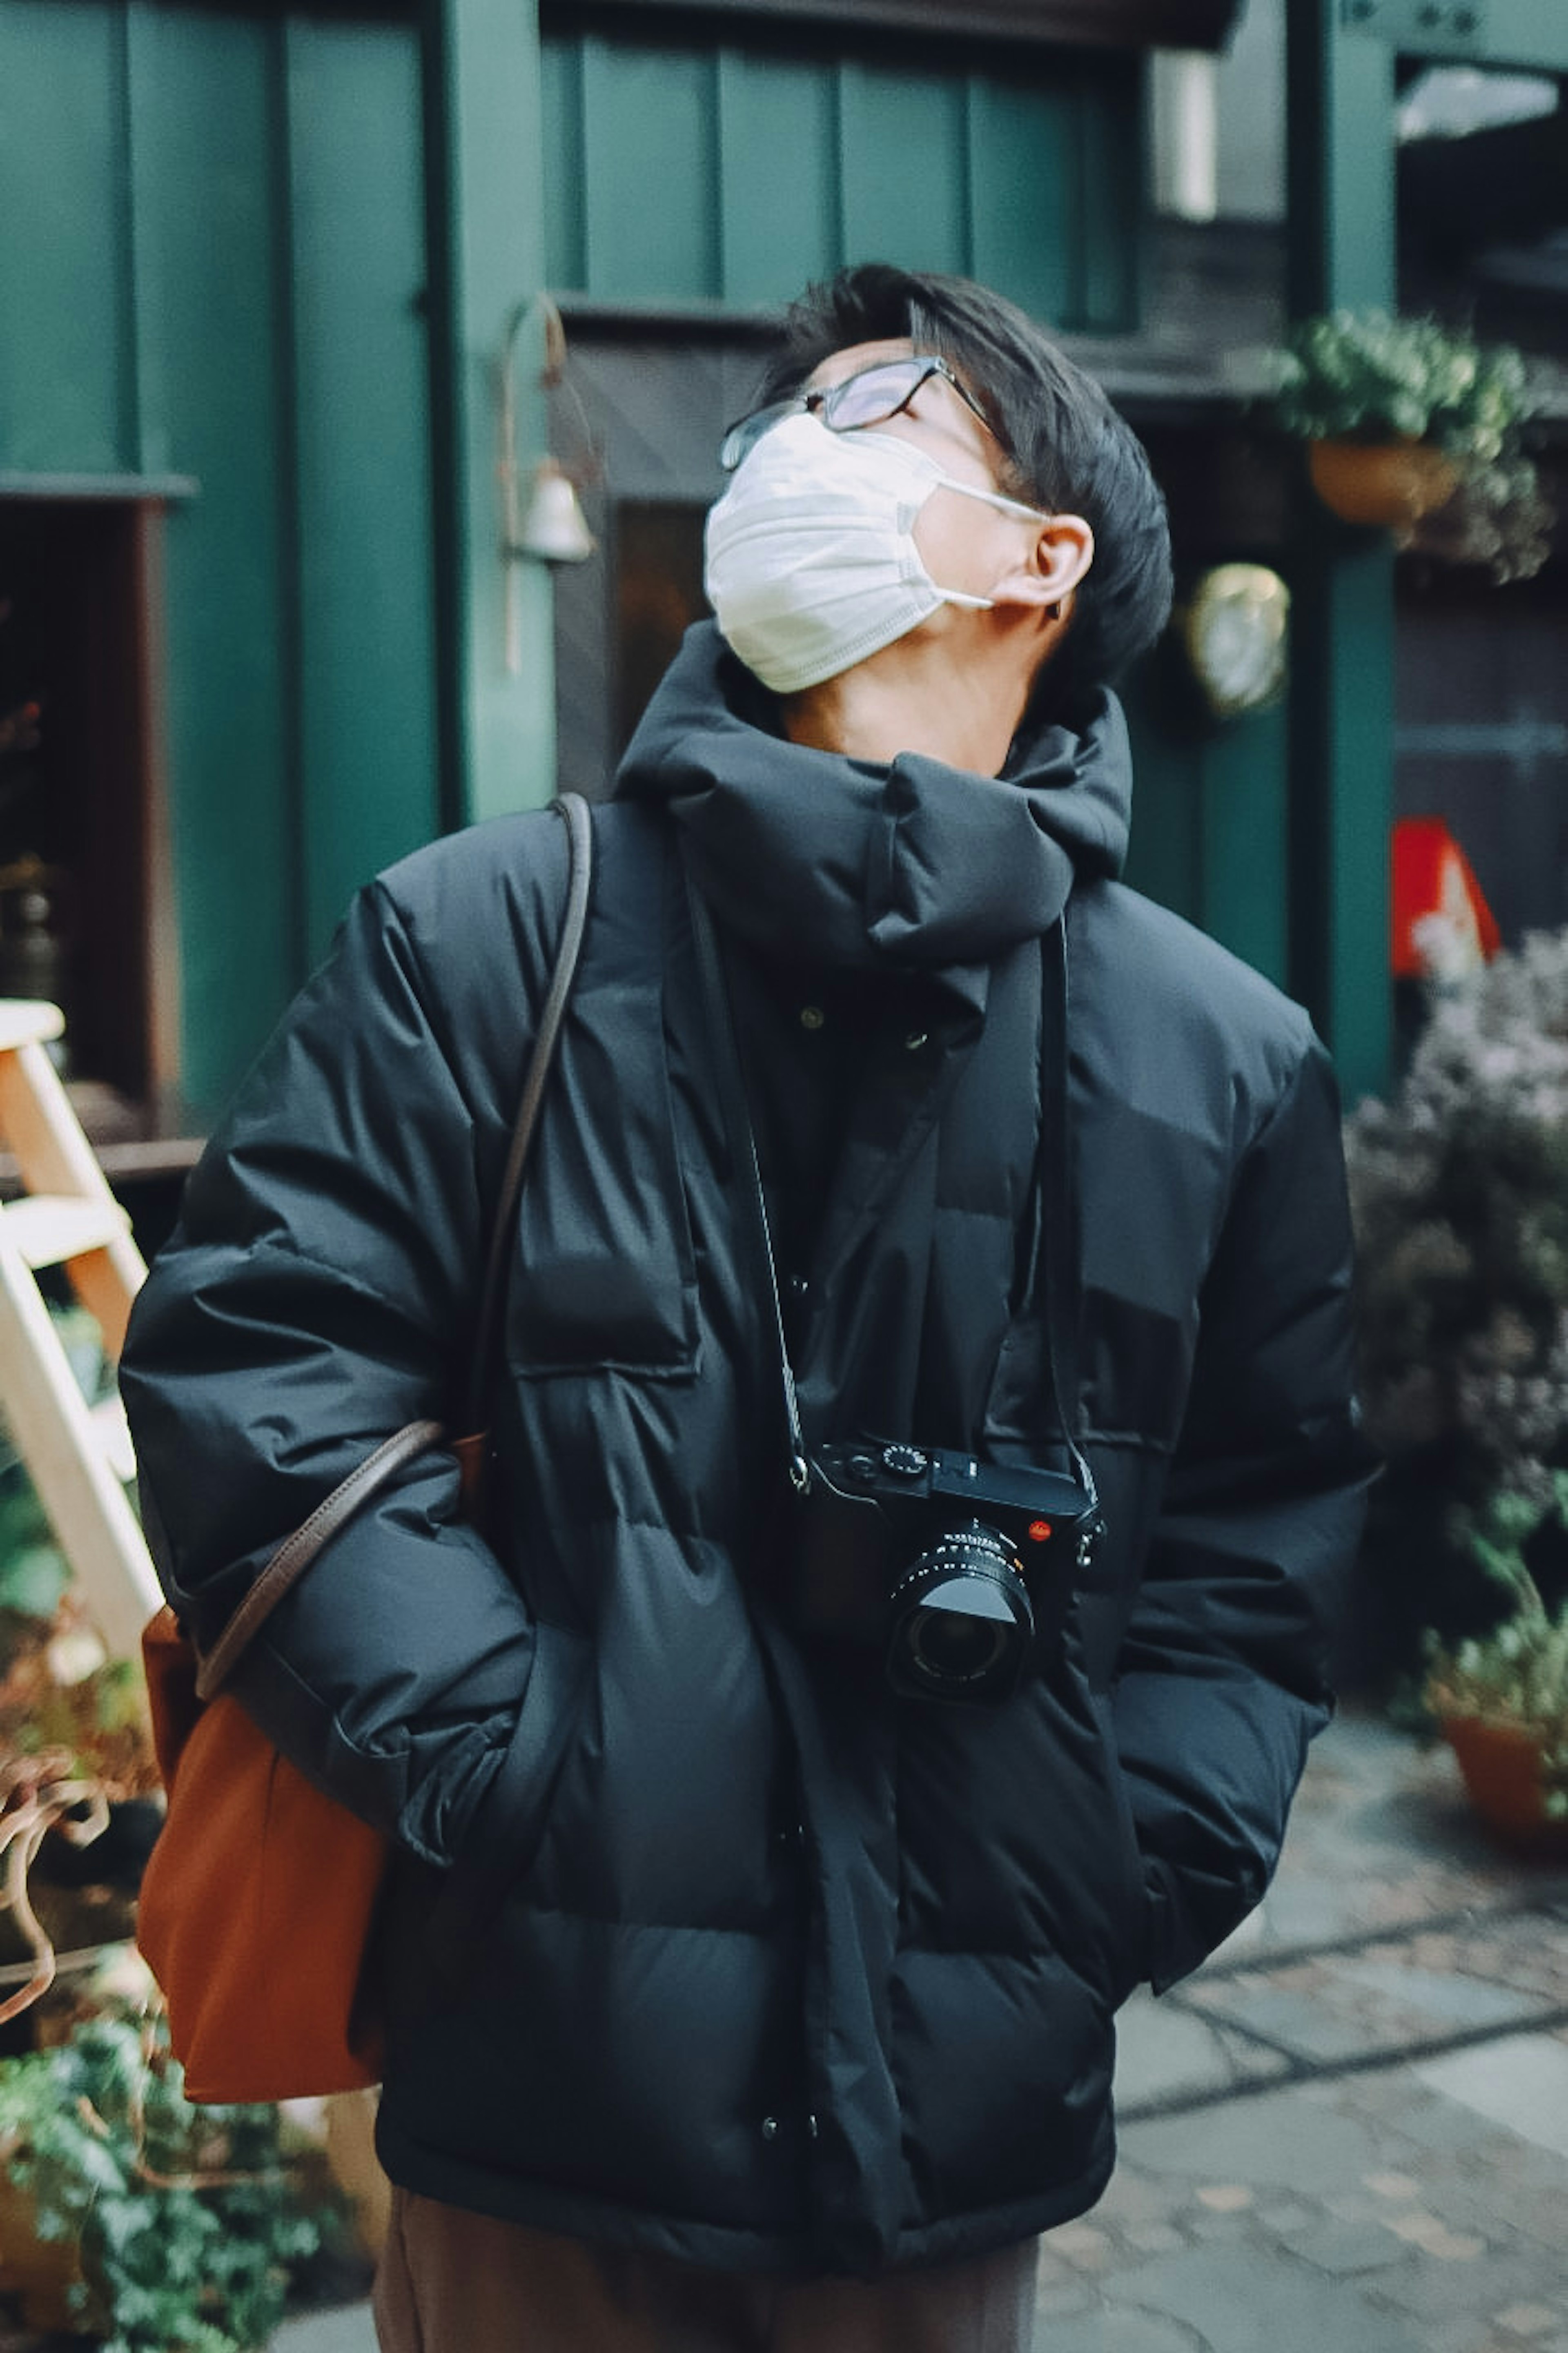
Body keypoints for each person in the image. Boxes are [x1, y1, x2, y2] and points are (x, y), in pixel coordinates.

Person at [120, 264, 1372, 2353]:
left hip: (959, 2126)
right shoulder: (482, 939)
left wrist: (1109, 1868)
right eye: (778, 420)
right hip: (547, 2094)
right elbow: (262, 1371)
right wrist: (532, 1776)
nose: (793, 442)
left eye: (876, 407)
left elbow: (1261, 1543)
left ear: (1042, 559)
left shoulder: (1220, 1059)